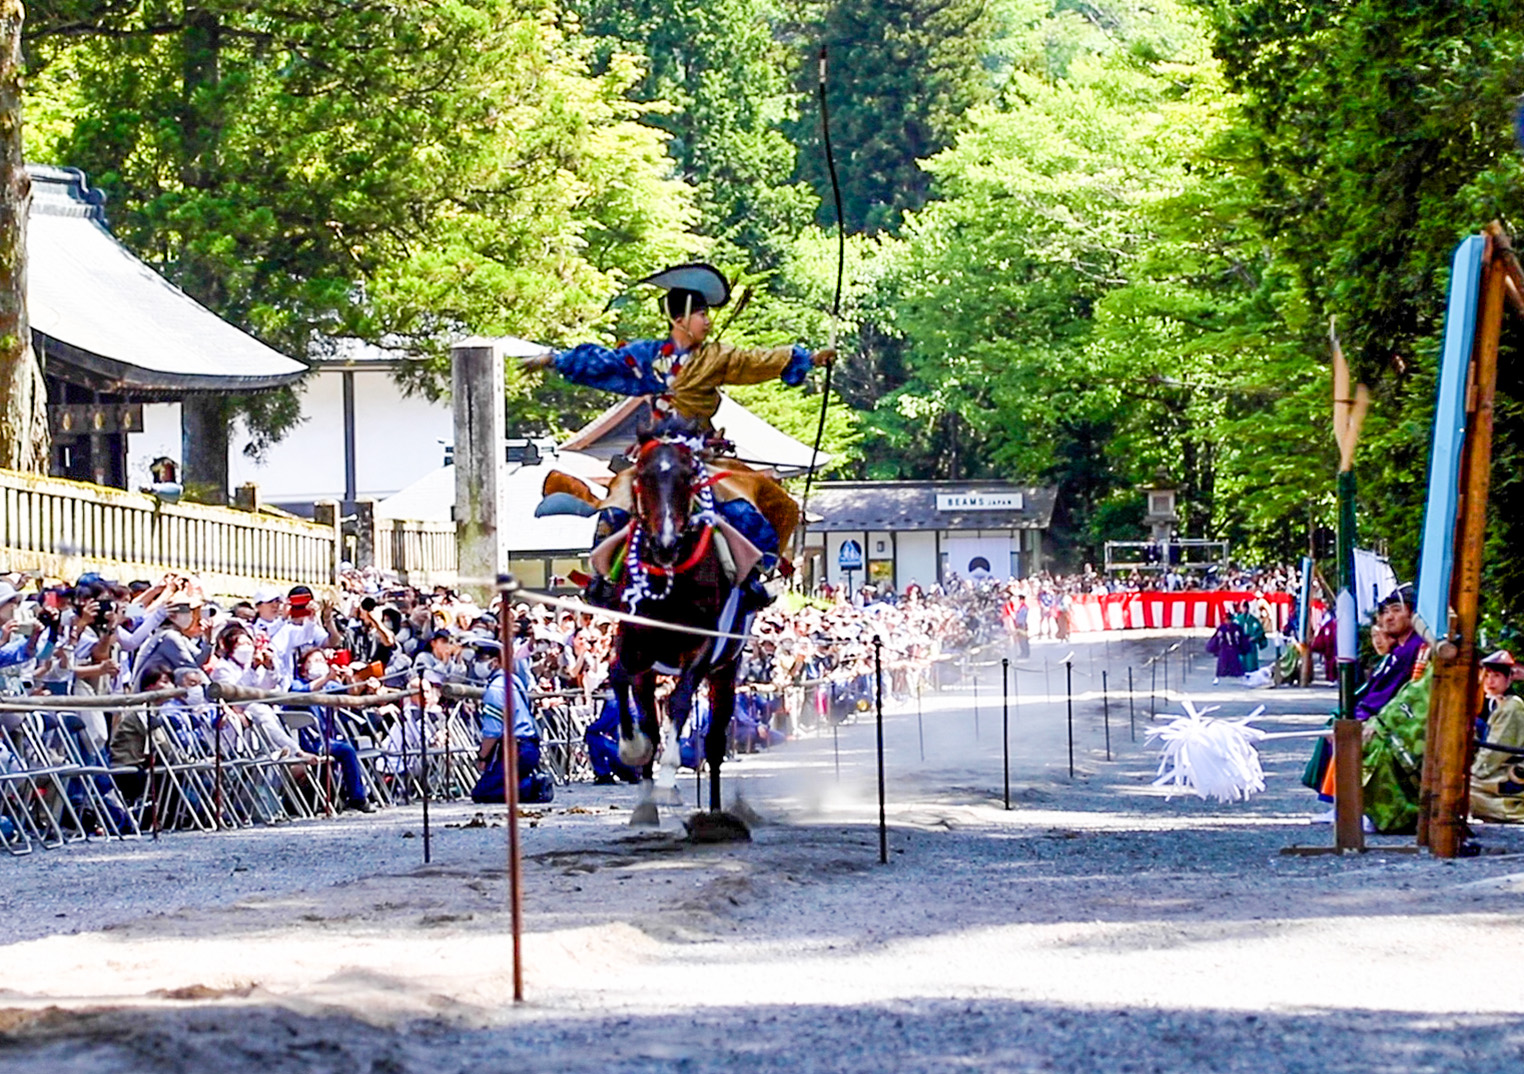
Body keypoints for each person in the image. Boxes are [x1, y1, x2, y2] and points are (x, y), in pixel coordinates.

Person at [470, 638, 554, 804]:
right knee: (495, 783)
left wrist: (482, 757)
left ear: (494, 662)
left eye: (481, 660)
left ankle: (532, 785)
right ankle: (529, 785)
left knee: (482, 793)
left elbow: (492, 732)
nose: (477, 664)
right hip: (528, 747)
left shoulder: (495, 689)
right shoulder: (513, 681)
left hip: (517, 750)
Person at [1470, 650, 1524, 823]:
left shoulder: (1512, 707)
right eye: (1487, 676)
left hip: (1510, 773)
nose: (1490, 681)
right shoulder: (1495, 702)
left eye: (1497, 676)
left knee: (1459, 789)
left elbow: (1495, 751)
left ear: (1508, 679)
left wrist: (1474, 772)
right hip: (1498, 768)